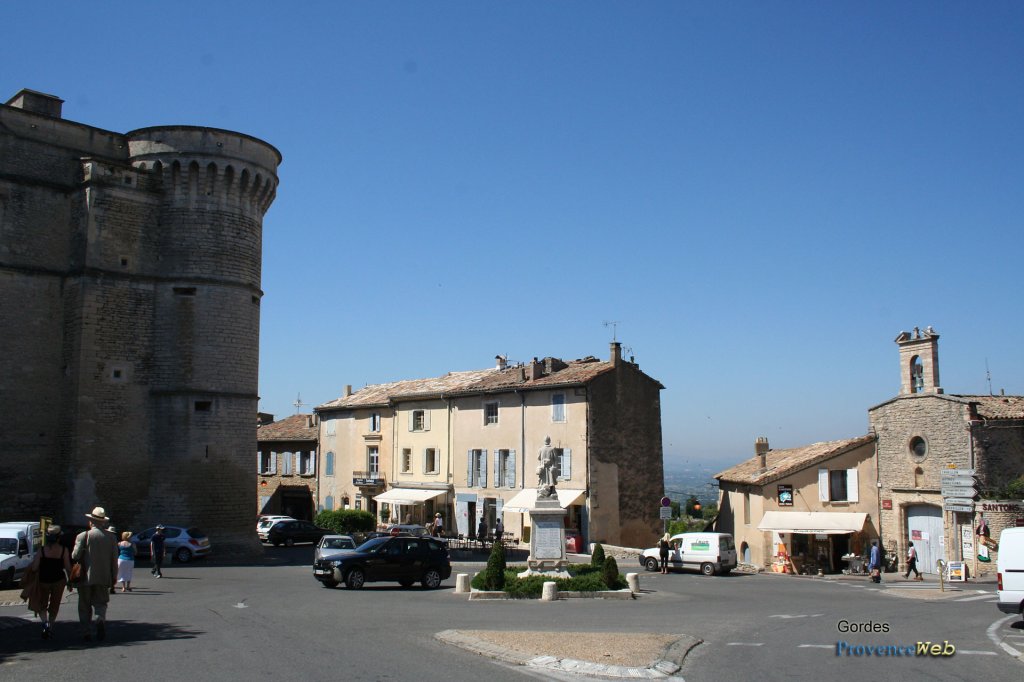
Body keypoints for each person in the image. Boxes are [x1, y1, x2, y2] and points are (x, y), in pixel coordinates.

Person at [72, 506, 118, 642]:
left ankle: (86, 631)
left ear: (90, 521)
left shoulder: (83, 536)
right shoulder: (111, 538)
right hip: (103, 576)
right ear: (103, 522)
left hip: (85, 576)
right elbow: (114, 559)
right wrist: (114, 576)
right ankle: (100, 619)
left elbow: (75, 556)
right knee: (101, 603)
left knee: (84, 605)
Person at [28, 525, 71, 639]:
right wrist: (70, 581)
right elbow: (67, 567)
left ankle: (45, 623)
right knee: (55, 605)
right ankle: (51, 626)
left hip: (43, 579)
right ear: (58, 537)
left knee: (43, 604)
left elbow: (34, 567)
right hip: (58, 580)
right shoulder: (63, 550)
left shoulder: (42, 550)